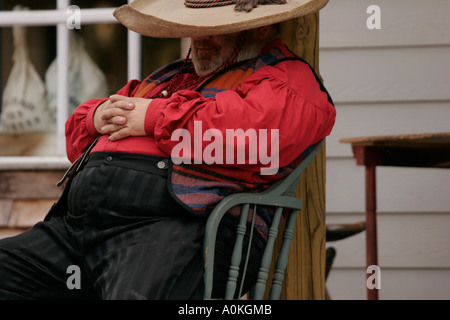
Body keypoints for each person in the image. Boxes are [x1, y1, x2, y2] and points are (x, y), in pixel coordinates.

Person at [0, 0, 335, 300]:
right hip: (74, 230)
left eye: (214, 30)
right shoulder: (171, 77)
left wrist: (154, 117)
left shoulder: (284, 78)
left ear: (259, 27)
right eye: (193, 29)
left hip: (170, 228)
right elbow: (77, 136)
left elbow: (251, 138)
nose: (198, 39)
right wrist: (97, 117)